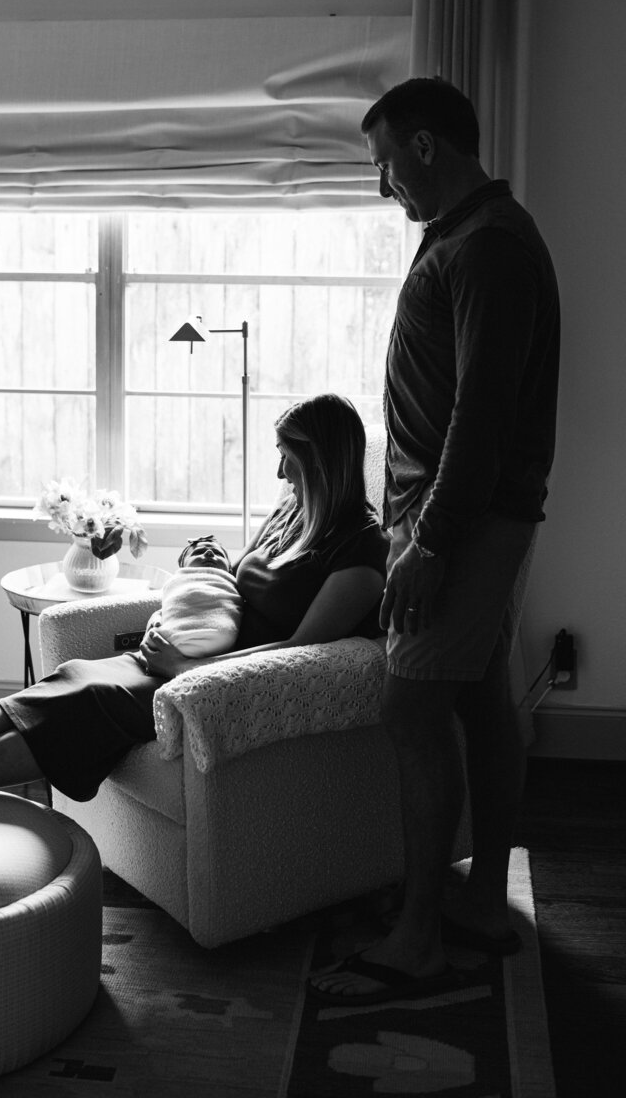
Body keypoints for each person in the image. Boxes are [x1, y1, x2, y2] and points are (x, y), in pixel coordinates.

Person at [311, 77, 560, 1006]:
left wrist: (428, 543)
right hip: (458, 519)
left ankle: (419, 938)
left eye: (384, 164)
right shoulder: (465, 237)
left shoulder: (489, 246)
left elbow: (482, 418)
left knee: (411, 711)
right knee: (484, 700)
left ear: (424, 146)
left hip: (461, 524)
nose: (383, 187)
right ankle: (484, 907)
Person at [0, 393, 390, 803]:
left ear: (320, 458)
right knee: (77, 675)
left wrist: (184, 668)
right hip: (194, 650)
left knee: (90, 701)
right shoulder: (291, 512)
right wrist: (177, 606)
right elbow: (231, 581)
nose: (279, 470)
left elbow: (301, 650)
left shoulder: (362, 549)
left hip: (222, 682)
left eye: (288, 455)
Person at [141, 534, 244, 660]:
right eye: (199, 552)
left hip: (219, 634)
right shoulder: (178, 580)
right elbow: (173, 604)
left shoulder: (230, 580)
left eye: (218, 553)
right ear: (183, 566)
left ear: (229, 569)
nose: (209, 553)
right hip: (174, 637)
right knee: (152, 639)